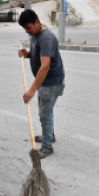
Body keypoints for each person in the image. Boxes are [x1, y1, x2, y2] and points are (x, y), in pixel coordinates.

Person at [18, 9, 65, 159]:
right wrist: (27, 54)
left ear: (37, 22)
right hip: (44, 82)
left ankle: (47, 146)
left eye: (28, 27)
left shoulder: (46, 38)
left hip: (50, 82)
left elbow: (45, 66)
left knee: (45, 114)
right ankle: (48, 136)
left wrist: (32, 90)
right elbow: (39, 54)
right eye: (24, 28)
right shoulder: (36, 34)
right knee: (46, 111)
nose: (27, 31)